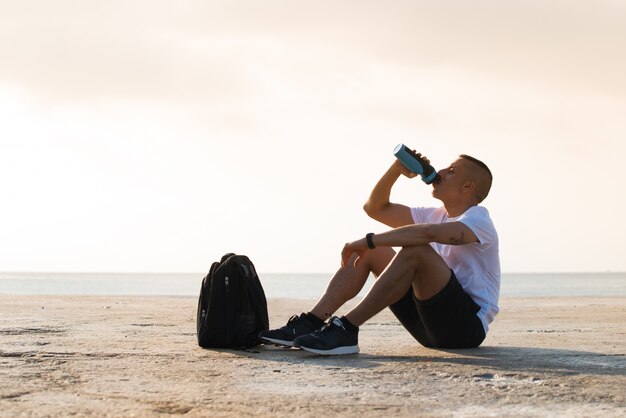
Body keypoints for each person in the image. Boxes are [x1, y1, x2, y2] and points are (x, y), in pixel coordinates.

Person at [259, 153, 500, 355]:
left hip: (464, 329)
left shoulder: (479, 219)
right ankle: (309, 323)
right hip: (427, 325)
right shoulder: (435, 214)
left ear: (468, 187)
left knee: (415, 250)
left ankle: (347, 329)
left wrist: (369, 240)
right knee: (373, 253)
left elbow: (427, 234)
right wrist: (396, 169)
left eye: (451, 171)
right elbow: (375, 208)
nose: (442, 172)